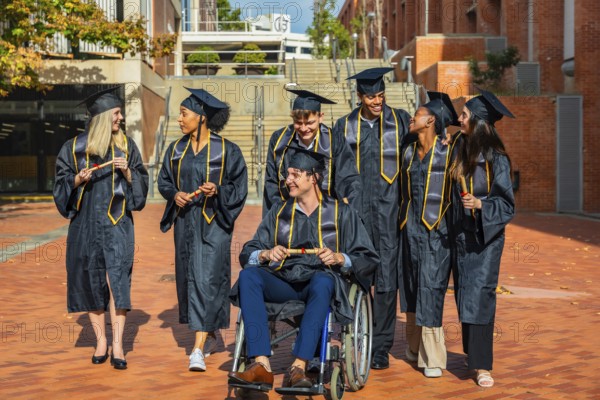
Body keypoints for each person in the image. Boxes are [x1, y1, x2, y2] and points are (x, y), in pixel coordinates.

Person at [228, 148, 378, 391]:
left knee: (323, 280)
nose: (288, 180)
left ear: (313, 177)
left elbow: (368, 258)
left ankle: (299, 365)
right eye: (288, 174)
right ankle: (261, 364)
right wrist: (266, 254)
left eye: (295, 174)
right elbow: (249, 251)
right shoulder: (279, 213)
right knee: (248, 277)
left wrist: (340, 258)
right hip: (284, 281)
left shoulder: (342, 213)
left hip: (318, 286)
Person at [53, 87, 149, 370]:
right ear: (104, 117)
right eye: (117, 113)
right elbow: (59, 186)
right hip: (85, 226)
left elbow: (141, 184)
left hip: (118, 224)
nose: (121, 118)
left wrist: (129, 173)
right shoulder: (74, 148)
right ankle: (101, 342)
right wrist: (76, 180)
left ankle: (118, 344)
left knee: (118, 282)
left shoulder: (127, 146)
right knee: (90, 281)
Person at [158, 87, 248, 372]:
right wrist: (175, 195)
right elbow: (164, 181)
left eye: (183, 114)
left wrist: (217, 190)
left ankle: (196, 348)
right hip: (185, 223)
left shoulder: (227, 150)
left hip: (214, 224)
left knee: (208, 278)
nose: (179, 120)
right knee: (189, 277)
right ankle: (209, 333)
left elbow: (239, 187)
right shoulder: (175, 149)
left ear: (201, 117)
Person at [333, 67, 411, 369]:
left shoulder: (400, 121)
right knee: (356, 275)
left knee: (388, 280)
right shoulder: (344, 126)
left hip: (390, 214)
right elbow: (337, 168)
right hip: (357, 215)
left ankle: (380, 346)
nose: (377, 102)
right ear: (359, 97)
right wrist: (344, 196)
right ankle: (356, 333)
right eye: (371, 96)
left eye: (381, 95)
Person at [449, 88, 516, 388]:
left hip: (486, 238)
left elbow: (507, 204)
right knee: (464, 294)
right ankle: (471, 356)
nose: (459, 119)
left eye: (464, 116)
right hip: (461, 236)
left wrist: (481, 205)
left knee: (480, 295)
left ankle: (482, 366)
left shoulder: (497, 159)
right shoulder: (458, 148)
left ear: (477, 122)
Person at [399, 92, 459, 378]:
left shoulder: (450, 152)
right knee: (411, 287)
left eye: (418, 114)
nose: (412, 118)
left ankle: (433, 357)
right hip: (409, 230)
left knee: (431, 289)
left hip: (437, 233)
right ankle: (414, 347)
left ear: (431, 120)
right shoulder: (409, 152)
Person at [262, 88, 361, 216]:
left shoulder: (335, 141)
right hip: (289, 215)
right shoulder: (279, 140)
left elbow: (348, 178)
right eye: (298, 123)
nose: (304, 129)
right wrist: (279, 214)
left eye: (310, 123)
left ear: (320, 117)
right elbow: (271, 182)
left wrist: (346, 212)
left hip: (326, 215)